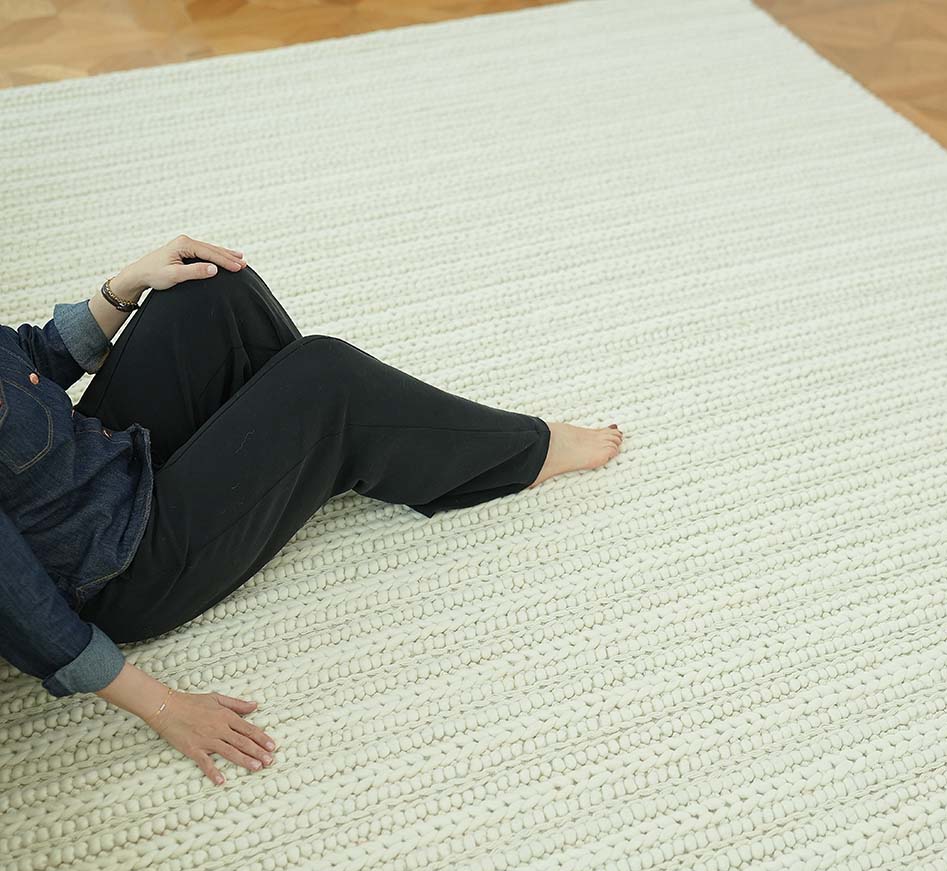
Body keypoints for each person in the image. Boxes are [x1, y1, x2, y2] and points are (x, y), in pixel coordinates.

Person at [0, 235, 624, 787]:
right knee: (327, 380)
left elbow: (26, 359)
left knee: (210, 287)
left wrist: (124, 286)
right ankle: (518, 454)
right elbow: (27, 616)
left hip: (100, 457)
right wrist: (163, 707)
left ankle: (316, 444)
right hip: (119, 565)